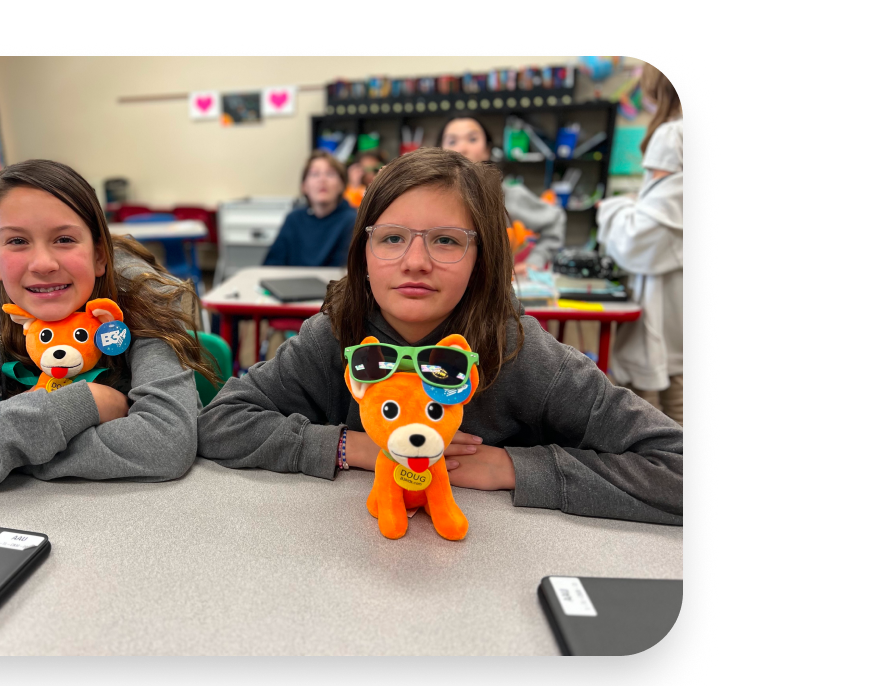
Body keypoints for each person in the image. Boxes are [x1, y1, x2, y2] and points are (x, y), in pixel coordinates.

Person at [197, 149, 682, 525]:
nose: (414, 261)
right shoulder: (336, 333)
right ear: (363, 253)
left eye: (446, 240)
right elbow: (220, 422)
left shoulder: (520, 351)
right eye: (391, 237)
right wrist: (355, 447)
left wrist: (512, 469)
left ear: (482, 259)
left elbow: (681, 469)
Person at [0, 159, 220, 499]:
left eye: (64, 239)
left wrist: (6, 456)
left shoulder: (141, 299)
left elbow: (166, 443)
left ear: (99, 255)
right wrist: (86, 402)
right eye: (17, 242)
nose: (43, 264)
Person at [596, 64, 684, 426]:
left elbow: (639, 238)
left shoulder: (672, 134)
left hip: (666, 293)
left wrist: (614, 208)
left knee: (662, 402)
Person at [437, 116, 565, 274]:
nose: (462, 148)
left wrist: (535, 262)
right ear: (439, 152)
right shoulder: (432, 199)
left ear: (487, 150)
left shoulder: (508, 195)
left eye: (472, 139)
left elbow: (555, 219)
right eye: (452, 141)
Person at [264, 150, 357, 267]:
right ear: (304, 187)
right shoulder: (294, 219)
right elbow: (271, 265)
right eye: (314, 174)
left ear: (342, 185)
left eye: (330, 174)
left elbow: (346, 271)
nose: (322, 179)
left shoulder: (352, 221)